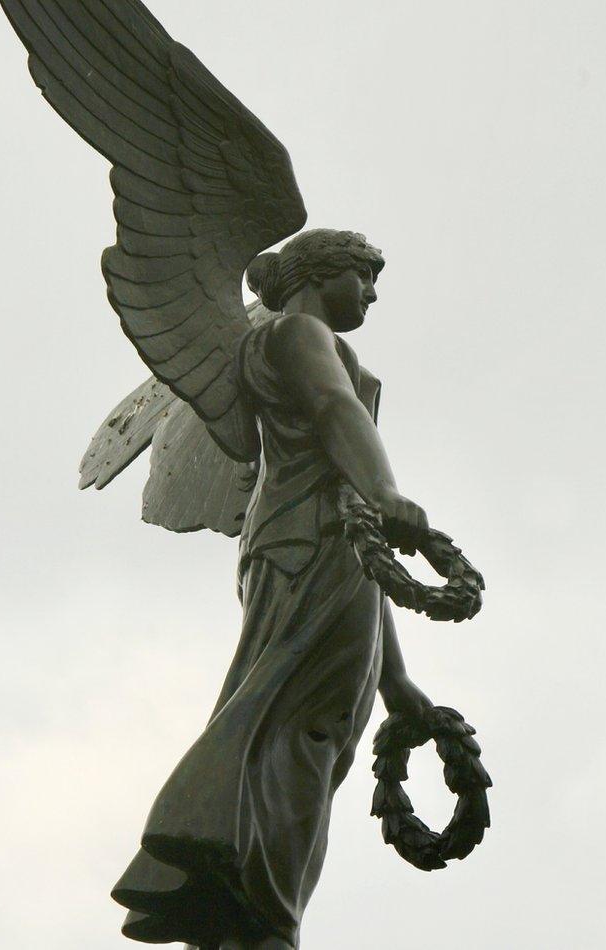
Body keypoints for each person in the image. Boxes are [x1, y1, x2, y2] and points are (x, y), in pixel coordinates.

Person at [112, 230, 433, 949]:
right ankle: (259, 911)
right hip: (300, 544)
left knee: (321, 741)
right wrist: (385, 488)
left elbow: (366, 540)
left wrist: (398, 680)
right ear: (319, 274)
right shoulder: (295, 334)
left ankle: (246, 908)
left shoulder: (316, 341)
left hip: (329, 547)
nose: (374, 295)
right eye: (364, 276)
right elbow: (333, 410)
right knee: (294, 728)